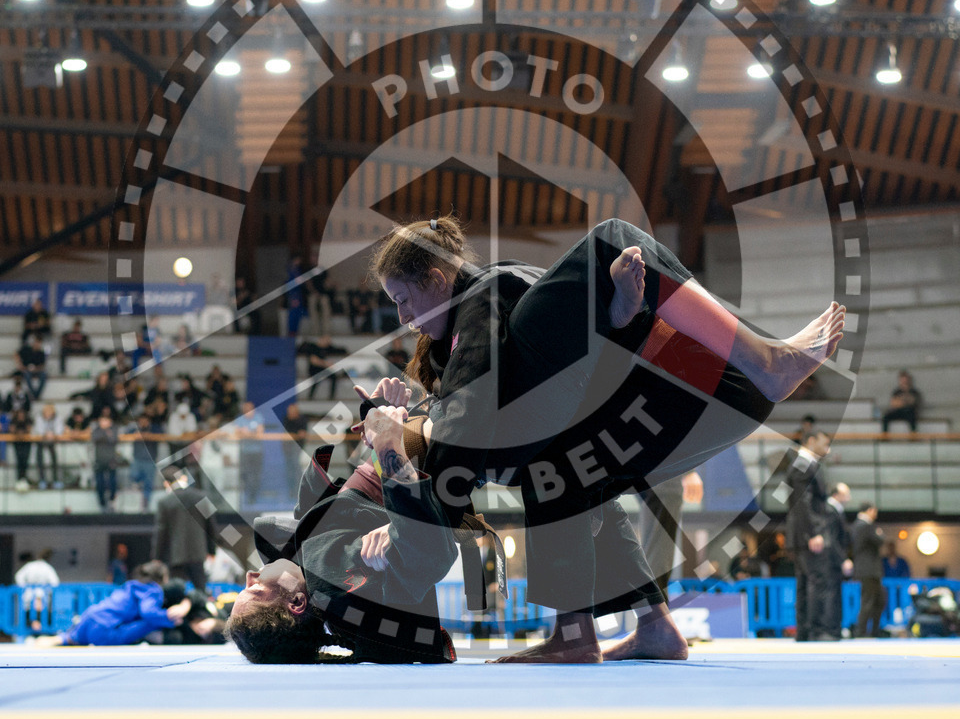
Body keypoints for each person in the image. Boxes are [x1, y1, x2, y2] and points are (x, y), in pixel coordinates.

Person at [361, 216, 845, 662]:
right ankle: (642, 628)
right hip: (692, 399)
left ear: (436, 280)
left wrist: (404, 491)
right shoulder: (470, 343)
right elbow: (463, 424)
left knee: (612, 242)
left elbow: (461, 430)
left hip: (693, 386)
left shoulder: (485, 300)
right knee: (563, 469)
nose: (403, 318)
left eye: (403, 300)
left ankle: (760, 358)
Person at [225, 380, 457, 665]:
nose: (250, 575)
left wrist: (377, 416)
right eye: (255, 590)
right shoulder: (338, 583)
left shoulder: (308, 563)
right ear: (297, 603)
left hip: (411, 448)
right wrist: (387, 444)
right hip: (432, 451)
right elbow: (431, 555)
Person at [37, 561, 192, 646]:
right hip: (105, 628)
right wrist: (168, 618)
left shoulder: (131, 585)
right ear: (162, 578)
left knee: (75, 638)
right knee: (150, 622)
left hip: (90, 617)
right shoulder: (153, 589)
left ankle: (63, 638)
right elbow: (148, 612)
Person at [784, 431, 834, 641]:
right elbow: (803, 503)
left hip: (800, 533)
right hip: (807, 534)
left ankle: (805, 631)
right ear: (811, 441)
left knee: (805, 582)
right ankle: (816, 631)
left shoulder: (802, 464)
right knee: (816, 581)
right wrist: (813, 533)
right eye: (825, 443)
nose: (828, 449)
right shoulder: (804, 464)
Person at [153, 466, 217, 591]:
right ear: (184, 478)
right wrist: (212, 551)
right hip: (198, 554)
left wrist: (157, 557)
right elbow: (211, 527)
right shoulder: (200, 497)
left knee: (176, 593)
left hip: (175, 556)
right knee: (201, 591)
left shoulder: (165, 502)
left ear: (167, 484)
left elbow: (160, 532)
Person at [852, 502, 886, 637]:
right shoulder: (865, 525)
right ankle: (861, 631)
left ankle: (873, 631)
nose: (875, 515)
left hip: (867, 570)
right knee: (868, 601)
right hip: (869, 570)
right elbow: (880, 540)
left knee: (878, 600)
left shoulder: (858, 525)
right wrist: (879, 533)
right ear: (869, 510)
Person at [822, 482, 851, 640]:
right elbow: (832, 539)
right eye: (846, 494)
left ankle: (835, 629)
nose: (848, 498)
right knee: (831, 595)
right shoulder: (830, 510)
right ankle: (830, 630)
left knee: (835, 595)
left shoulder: (836, 511)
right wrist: (842, 559)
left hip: (833, 560)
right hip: (830, 561)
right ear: (836, 495)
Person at [90, 409, 120, 512]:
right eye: (102, 420)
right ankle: (102, 503)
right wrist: (105, 434)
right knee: (99, 482)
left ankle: (112, 500)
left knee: (112, 482)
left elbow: (114, 440)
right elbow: (94, 438)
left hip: (111, 459)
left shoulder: (114, 429)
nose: (103, 423)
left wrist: (105, 436)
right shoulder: (97, 430)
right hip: (99, 459)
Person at [33, 402, 64, 489]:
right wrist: (45, 434)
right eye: (46, 412)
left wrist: (52, 434)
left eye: (50, 412)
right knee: (40, 459)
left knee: (54, 460)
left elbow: (59, 430)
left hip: (53, 442)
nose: (48, 414)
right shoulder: (39, 418)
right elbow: (38, 430)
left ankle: (55, 479)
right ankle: (42, 479)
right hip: (41, 441)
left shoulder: (58, 418)